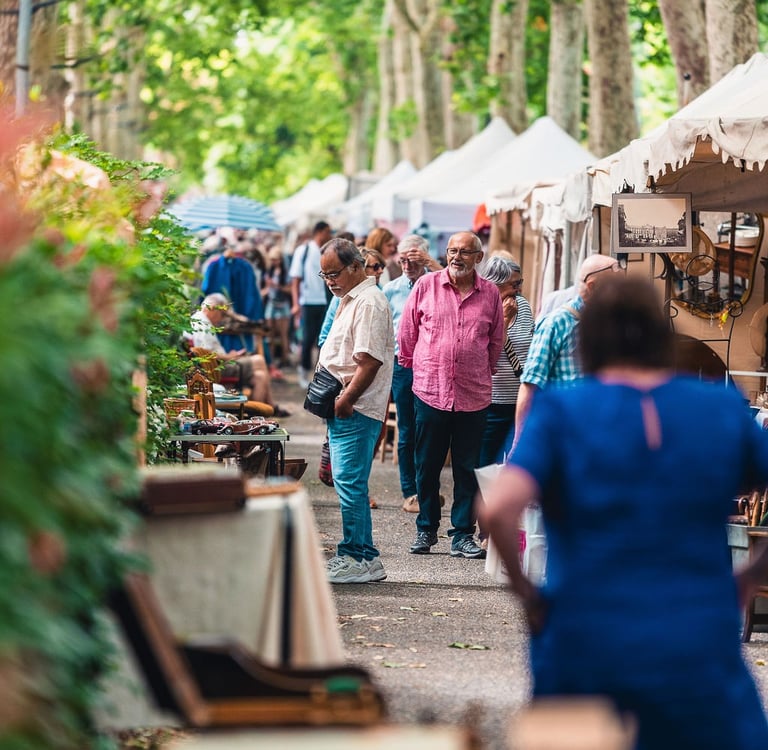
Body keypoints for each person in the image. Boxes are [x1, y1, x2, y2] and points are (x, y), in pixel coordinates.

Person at [479, 275, 768, 750]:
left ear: (589, 339)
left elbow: (496, 510)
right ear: (659, 335)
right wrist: (751, 576)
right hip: (695, 633)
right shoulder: (718, 407)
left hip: (585, 633)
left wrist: (531, 597)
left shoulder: (563, 412)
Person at [398, 231, 504, 559]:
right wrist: (417, 367)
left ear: (479, 257)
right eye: (452, 251)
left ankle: (461, 534)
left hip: (473, 394)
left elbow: (496, 340)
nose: (457, 257)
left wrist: (480, 369)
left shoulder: (490, 293)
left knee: (467, 467)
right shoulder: (426, 286)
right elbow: (407, 333)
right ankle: (426, 528)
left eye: (464, 252)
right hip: (431, 390)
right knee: (427, 464)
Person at [318, 239, 394, 583]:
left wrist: (346, 400)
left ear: (355, 266)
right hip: (346, 404)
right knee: (350, 482)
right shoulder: (351, 298)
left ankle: (356, 557)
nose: (329, 281)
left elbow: (369, 360)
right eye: (324, 275)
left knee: (349, 482)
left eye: (333, 273)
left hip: (356, 407)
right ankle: (363, 555)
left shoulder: (369, 302)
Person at [514, 254, 620, 437]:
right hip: (565, 433)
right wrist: (519, 440)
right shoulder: (555, 324)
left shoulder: (613, 323)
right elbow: (530, 386)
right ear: (592, 286)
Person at [382, 234, 439, 513]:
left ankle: (426, 488)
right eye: (402, 260)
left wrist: (430, 263)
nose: (407, 265)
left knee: (429, 428)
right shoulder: (390, 289)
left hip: (431, 363)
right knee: (407, 429)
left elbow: (461, 282)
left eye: (413, 260)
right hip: (402, 364)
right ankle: (410, 491)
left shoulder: (438, 283)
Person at [478, 255, 534, 467]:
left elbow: (529, 344)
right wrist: (505, 320)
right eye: (514, 284)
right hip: (491, 403)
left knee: (516, 465)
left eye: (520, 283)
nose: (519, 289)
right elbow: (484, 353)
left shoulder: (523, 306)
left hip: (520, 402)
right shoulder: (481, 309)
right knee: (486, 466)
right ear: (495, 284)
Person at [188, 293, 274, 407]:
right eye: (222, 314)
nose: (222, 318)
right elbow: (206, 354)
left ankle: (263, 409)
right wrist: (229, 357)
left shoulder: (201, 320)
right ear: (213, 309)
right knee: (259, 360)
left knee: (260, 376)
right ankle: (269, 407)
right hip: (215, 368)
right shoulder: (201, 323)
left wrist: (230, 356)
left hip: (218, 365)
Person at [289, 221, 333, 388]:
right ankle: (303, 369)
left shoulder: (328, 251)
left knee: (324, 339)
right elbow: (295, 279)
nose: (329, 235)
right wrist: (295, 303)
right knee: (307, 338)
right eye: (328, 232)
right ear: (320, 232)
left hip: (325, 301)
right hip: (308, 301)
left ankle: (319, 374)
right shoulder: (304, 250)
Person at [262, 246, 292, 368]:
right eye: (272, 260)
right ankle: (272, 360)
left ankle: (284, 359)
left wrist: (277, 286)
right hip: (272, 303)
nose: (273, 262)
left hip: (282, 304)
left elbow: (289, 289)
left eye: (275, 259)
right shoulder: (269, 272)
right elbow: (267, 289)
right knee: (270, 334)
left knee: (283, 334)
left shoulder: (286, 273)